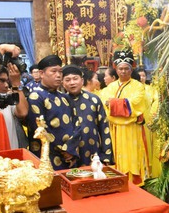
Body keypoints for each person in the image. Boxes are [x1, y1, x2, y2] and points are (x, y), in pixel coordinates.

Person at [99, 49, 147, 186]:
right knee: (116, 155)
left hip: (131, 129)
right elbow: (104, 103)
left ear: (131, 70)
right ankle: (117, 181)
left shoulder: (138, 86)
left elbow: (136, 103)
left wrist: (113, 103)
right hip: (114, 128)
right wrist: (119, 105)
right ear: (116, 69)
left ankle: (135, 183)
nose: (123, 71)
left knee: (133, 156)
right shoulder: (110, 87)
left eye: (127, 68)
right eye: (120, 68)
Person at [26, 55, 80, 170]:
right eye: (54, 71)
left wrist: (70, 149)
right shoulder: (36, 97)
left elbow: (77, 123)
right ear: (41, 73)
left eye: (60, 71)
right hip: (47, 157)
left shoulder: (65, 97)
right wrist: (64, 151)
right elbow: (40, 129)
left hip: (69, 156)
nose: (59, 75)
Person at [61, 65, 113, 166]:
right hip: (68, 155)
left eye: (75, 79)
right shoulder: (60, 101)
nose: (72, 83)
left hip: (92, 152)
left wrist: (106, 156)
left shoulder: (94, 99)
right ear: (63, 83)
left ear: (82, 80)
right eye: (67, 80)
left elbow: (104, 128)